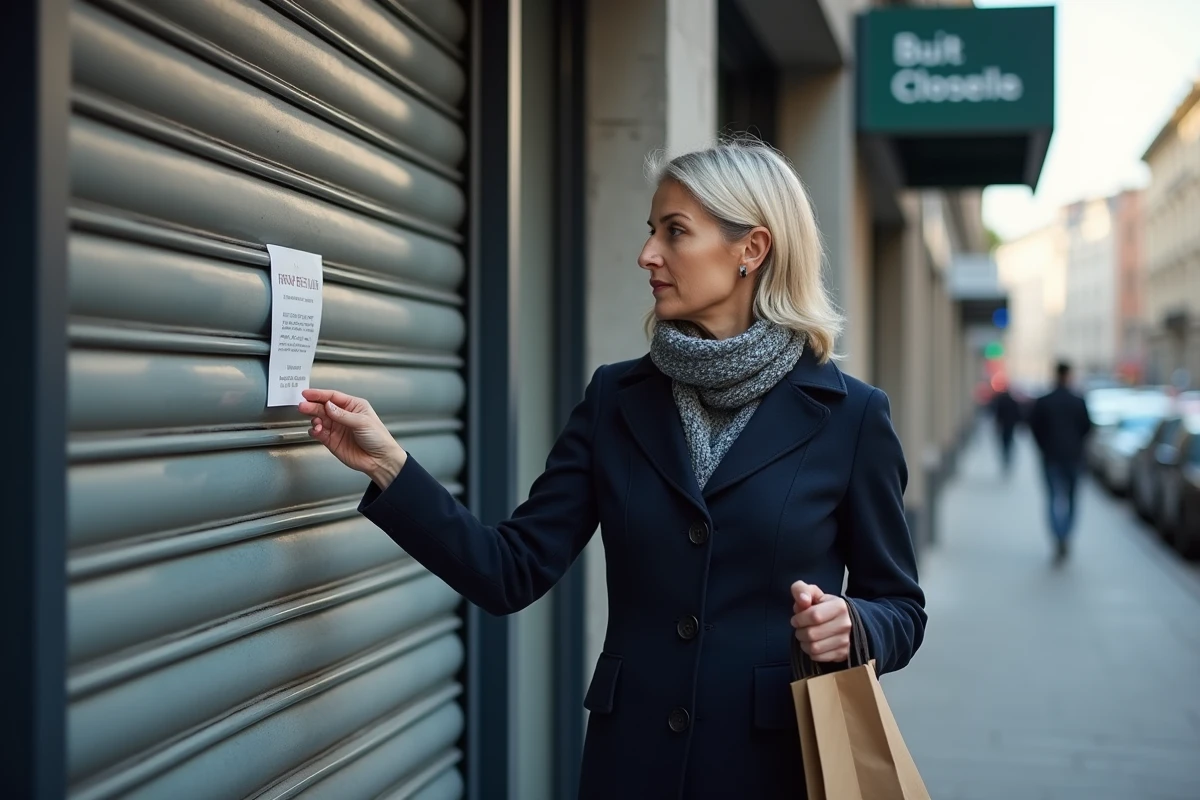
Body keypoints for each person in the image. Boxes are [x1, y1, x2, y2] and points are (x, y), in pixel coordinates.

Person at [299, 139, 926, 799]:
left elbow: (901, 607)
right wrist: (388, 464)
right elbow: (508, 570)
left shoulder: (850, 416)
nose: (647, 255)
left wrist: (854, 623)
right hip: (631, 768)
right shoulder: (616, 400)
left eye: (674, 232)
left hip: (775, 770)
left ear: (752, 249)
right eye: (651, 231)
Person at [1028, 361, 1094, 563]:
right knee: (1072, 500)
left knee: (1053, 499)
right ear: (1069, 375)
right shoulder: (1078, 401)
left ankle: (1058, 537)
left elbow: (1034, 429)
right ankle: (1065, 535)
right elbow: (1087, 428)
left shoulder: (1044, 401)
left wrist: (1044, 447)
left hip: (1051, 457)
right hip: (1073, 458)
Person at [990, 377, 1023, 475]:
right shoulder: (1012, 401)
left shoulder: (1001, 401)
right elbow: (1018, 413)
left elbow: (997, 413)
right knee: (1009, 441)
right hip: (1010, 425)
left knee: (1004, 442)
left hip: (1004, 425)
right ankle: (1007, 457)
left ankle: (1006, 457)